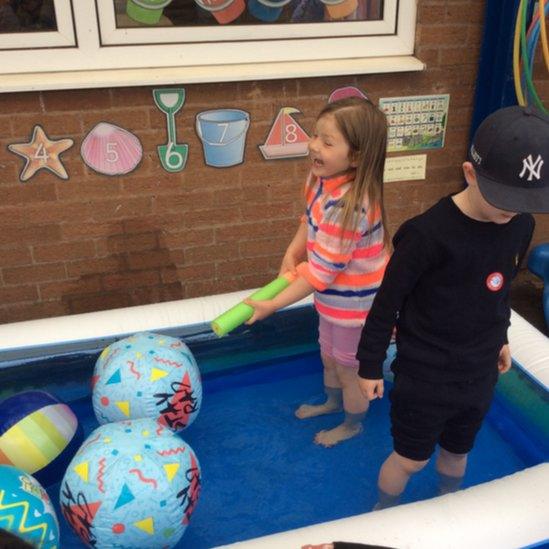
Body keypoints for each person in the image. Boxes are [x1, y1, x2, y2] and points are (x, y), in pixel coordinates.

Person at [356, 106, 549, 509]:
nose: (511, 210)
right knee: (411, 459)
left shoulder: (520, 224)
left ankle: (448, 505)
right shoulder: (427, 236)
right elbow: (386, 303)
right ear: (469, 173)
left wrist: (501, 338)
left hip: (478, 372)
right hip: (424, 375)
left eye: (523, 201)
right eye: (503, 199)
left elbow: (499, 292)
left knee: (458, 453)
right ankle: (381, 510)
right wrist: (370, 366)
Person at [245, 97, 390, 447]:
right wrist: (293, 250)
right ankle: (331, 402)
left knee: (349, 369)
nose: (313, 146)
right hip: (332, 299)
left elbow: (319, 274)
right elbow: (309, 221)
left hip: (356, 308)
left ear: (355, 157)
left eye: (327, 142)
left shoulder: (349, 206)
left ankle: (352, 423)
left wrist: (273, 304)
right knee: (327, 355)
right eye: (315, 135)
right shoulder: (320, 178)